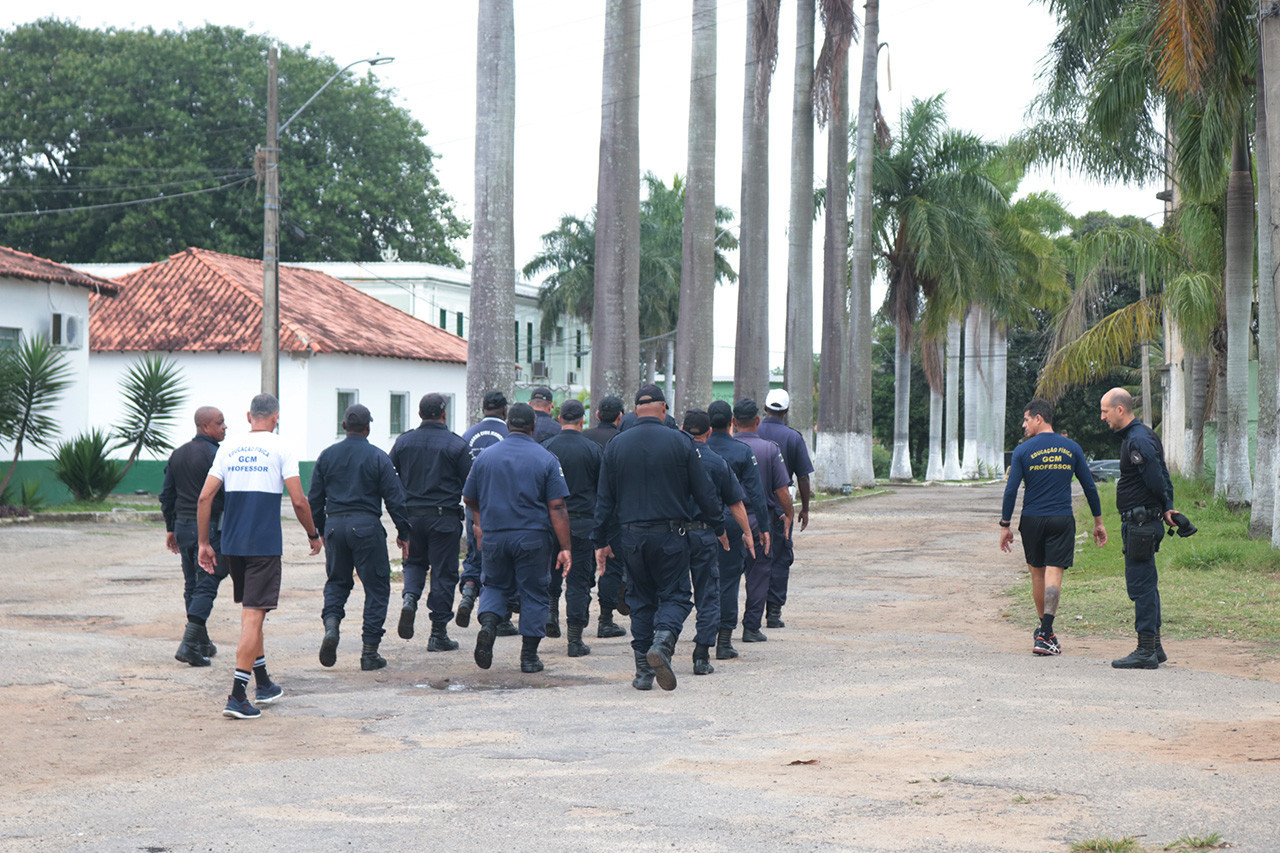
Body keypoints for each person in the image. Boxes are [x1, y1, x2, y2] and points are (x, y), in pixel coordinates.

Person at [593, 384, 726, 692]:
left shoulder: (616, 444)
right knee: (676, 595)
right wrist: (718, 527)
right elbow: (703, 491)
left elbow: (604, 499)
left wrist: (600, 540)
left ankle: (642, 673)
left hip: (631, 537)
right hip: (670, 535)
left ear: (635, 410)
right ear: (664, 409)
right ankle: (663, 642)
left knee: (640, 600)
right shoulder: (680, 443)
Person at [197, 393, 321, 720]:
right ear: (276, 417)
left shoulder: (228, 447)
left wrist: (203, 543)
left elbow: (204, 497)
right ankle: (237, 695)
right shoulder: (282, 447)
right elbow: (298, 501)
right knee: (253, 616)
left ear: (248, 416)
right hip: (264, 544)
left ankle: (263, 682)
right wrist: (313, 534)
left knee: (254, 611)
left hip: (233, 543)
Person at [462, 403, 573, 674]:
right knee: (534, 592)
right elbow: (556, 506)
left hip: (494, 536)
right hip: (531, 538)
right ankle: (529, 657)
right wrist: (565, 547)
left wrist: (478, 524)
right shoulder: (546, 458)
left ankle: (489, 626)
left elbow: (468, 497)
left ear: (508, 424)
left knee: (494, 586)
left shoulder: (485, 457)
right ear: (533, 426)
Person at [309, 404, 412, 671]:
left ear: (344, 426)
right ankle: (369, 652)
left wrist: (320, 531)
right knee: (377, 588)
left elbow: (315, 499)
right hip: (366, 526)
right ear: (368, 427)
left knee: (337, 582)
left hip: (334, 527)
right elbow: (395, 499)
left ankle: (332, 626)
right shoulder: (378, 457)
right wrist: (404, 533)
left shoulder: (326, 456)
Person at [1000, 399, 1106, 656]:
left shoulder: (1023, 451)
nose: (1024, 425)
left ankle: (1044, 633)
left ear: (1039, 418)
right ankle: (1046, 633)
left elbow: (1011, 489)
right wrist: (1098, 521)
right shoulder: (1071, 448)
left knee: (1037, 574)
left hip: (1032, 519)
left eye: (1026, 420)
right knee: (1053, 574)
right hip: (1061, 518)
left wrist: (1005, 525)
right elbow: (1089, 486)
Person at [1101, 387, 1178, 669]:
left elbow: (1157, 478)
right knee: (1148, 584)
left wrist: (1165, 506)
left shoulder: (1137, 440)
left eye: (1105, 411)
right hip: (1144, 521)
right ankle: (1154, 647)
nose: (1102, 417)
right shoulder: (1140, 435)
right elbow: (1163, 473)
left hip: (1141, 523)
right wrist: (1168, 507)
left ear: (1120, 410)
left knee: (1142, 586)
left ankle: (1145, 650)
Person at [390, 392, 472, 653]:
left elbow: (390, 479)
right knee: (443, 573)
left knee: (413, 562)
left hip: (412, 516)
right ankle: (438, 633)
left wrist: (400, 518)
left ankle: (410, 599)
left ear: (419, 414)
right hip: (444, 518)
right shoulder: (456, 445)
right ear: (444, 414)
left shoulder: (403, 443)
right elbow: (470, 486)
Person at [681, 409, 754, 675]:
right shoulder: (716, 461)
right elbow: (737, 502)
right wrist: (747, 533)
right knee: (709, 593)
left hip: (670, 535)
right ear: (709, 432)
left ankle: (662, 643)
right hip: (705, 532)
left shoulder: (670, 458)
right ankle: (705, 653)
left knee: (671, 593)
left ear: (682, 429)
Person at [161, 406, 229, 667]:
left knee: (192, 583)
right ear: (205, 427)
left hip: (182, 526)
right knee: (207, 583)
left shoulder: (178, 454)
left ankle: (201, 642)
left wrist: (170, 528)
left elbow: (167, 495)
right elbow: (225, 496)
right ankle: (189, 644)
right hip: (208, 526)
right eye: (220, 423)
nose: (225, 427)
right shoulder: (217, 455)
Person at [706, 400, 771, 660]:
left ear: (710, 424)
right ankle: (723, 641)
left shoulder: (696, 450)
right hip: (732, 521)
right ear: (731, 422)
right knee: (729, 582)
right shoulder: (742, 452)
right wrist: (763, 528)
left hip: (698, 524)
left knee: (700, 580)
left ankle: (703, 637)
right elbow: (756, 494)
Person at [541, 398, 603, 656]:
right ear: (582, 421)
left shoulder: (546, 448)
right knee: (578, 581)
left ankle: (551, 614)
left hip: (550, 521)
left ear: (559, 420)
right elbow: (603, 491)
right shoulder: (594, 449)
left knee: (551, 572)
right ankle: (575, 640)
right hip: (582, 523)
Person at [731, 398, 794, 644]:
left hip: (727, 518)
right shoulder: (769, 449)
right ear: (757, 421)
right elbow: (781, 490)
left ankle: (720, 627)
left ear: (734, 422)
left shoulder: (723, 447)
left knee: (725, 575)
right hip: (759, 518)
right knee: (759, 573)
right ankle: (751, 627)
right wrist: (788, 513)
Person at [459, 391, 518, 636]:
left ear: (482, 409)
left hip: (474, 506)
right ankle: (501, 618)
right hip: (503, 509)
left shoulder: (467, 436)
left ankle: (468, 593)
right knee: (503, 563)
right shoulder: (510, 435)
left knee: (475, 554)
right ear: (505, 411)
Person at [757, 389, 814, 628]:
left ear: (765, 407)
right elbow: (803, 477)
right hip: (782, 507)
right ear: (786, 411)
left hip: (752, 505)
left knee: (755, 560)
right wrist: (805, 509)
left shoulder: (752, 431)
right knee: (779, 558)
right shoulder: (793, 437)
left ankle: (751, 614)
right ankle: (773, 613)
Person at [581, 395, 630, 636]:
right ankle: (605, 619)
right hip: (613, 514)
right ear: (620, 417)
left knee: (584, 566)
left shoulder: (583, 438)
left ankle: (576, 617)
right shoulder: (622, 441)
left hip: (582, 511)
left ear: (597, 415)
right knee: (611, 565)